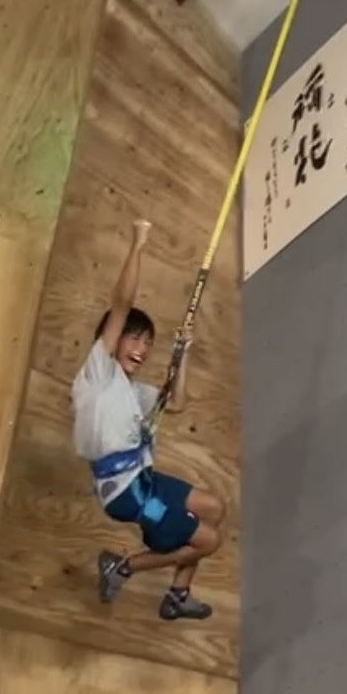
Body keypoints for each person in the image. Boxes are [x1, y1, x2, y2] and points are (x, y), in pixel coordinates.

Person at [71, 219, 225, 619]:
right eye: (134, 338)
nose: (141, 348)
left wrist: (182, 355)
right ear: (114, 339)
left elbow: (176, 403)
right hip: (129, 495)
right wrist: (138, 243)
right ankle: (123, 568)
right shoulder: (99, 374)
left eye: (148, 343)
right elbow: (121, 305)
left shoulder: (134, 391)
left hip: (146, 480)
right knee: (208, 541)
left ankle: (178, 595)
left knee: (214, 508)